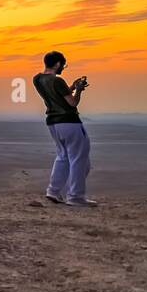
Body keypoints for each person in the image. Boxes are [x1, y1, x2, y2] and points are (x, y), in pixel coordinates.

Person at [33, 50, 95, 206]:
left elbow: (56, 95)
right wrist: (79, 90)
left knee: (63, 157)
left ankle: (53, 191)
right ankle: (75, 197)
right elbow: (72, 103)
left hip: (53, 123)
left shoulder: (38, 79)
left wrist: (71, 86)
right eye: (63, 65)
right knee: (79, 160)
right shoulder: (57, 80)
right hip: (69, 122)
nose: (63, 68)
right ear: (58, 64)